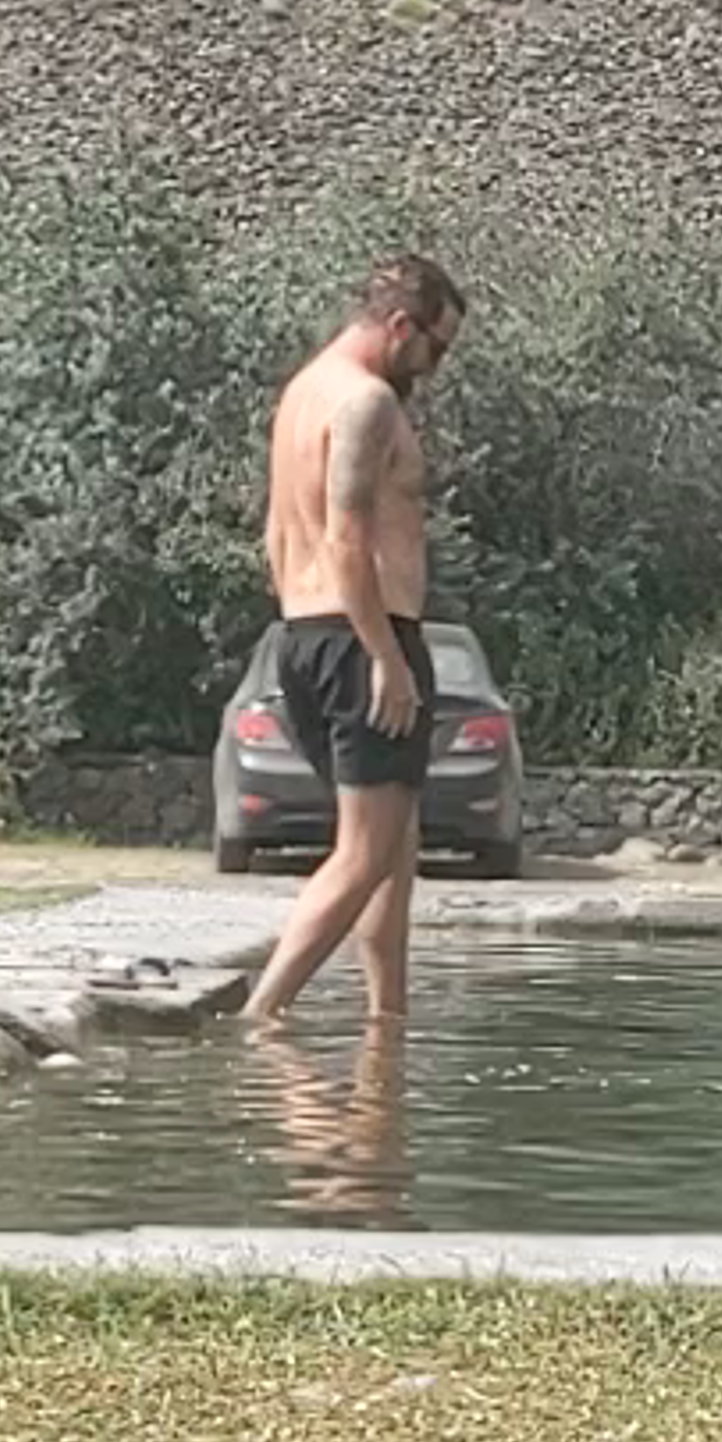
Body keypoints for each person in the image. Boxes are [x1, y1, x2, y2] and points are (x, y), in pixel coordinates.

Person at [242, 257, 467, 1038]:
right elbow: (347, 536)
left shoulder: (302, 393)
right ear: (400, 326)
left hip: (306, 631)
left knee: (393, 847)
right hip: (361, 633)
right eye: (435, 349)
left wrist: (307, 632)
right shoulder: (366, 401)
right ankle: (262, 1012)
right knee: (365, 853)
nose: (434, 370)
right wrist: (384, 656)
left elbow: (277, 533)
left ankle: (387, 1018)